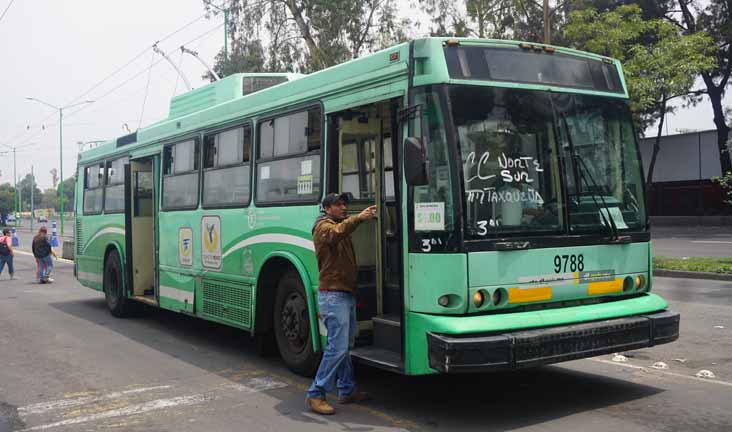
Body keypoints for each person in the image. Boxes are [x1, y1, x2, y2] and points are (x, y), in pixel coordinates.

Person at [306, 193, 376, 415]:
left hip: (344, 293)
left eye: (345, 204)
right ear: (327, 208)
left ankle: (346, 389)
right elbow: (337, 233)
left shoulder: (337, 224)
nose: (344, 207)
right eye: (338, 204)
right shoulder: (323, 227)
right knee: (337, 347)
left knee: (345, 346)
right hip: (333, 295)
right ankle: (316, 393)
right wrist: (359, 217)